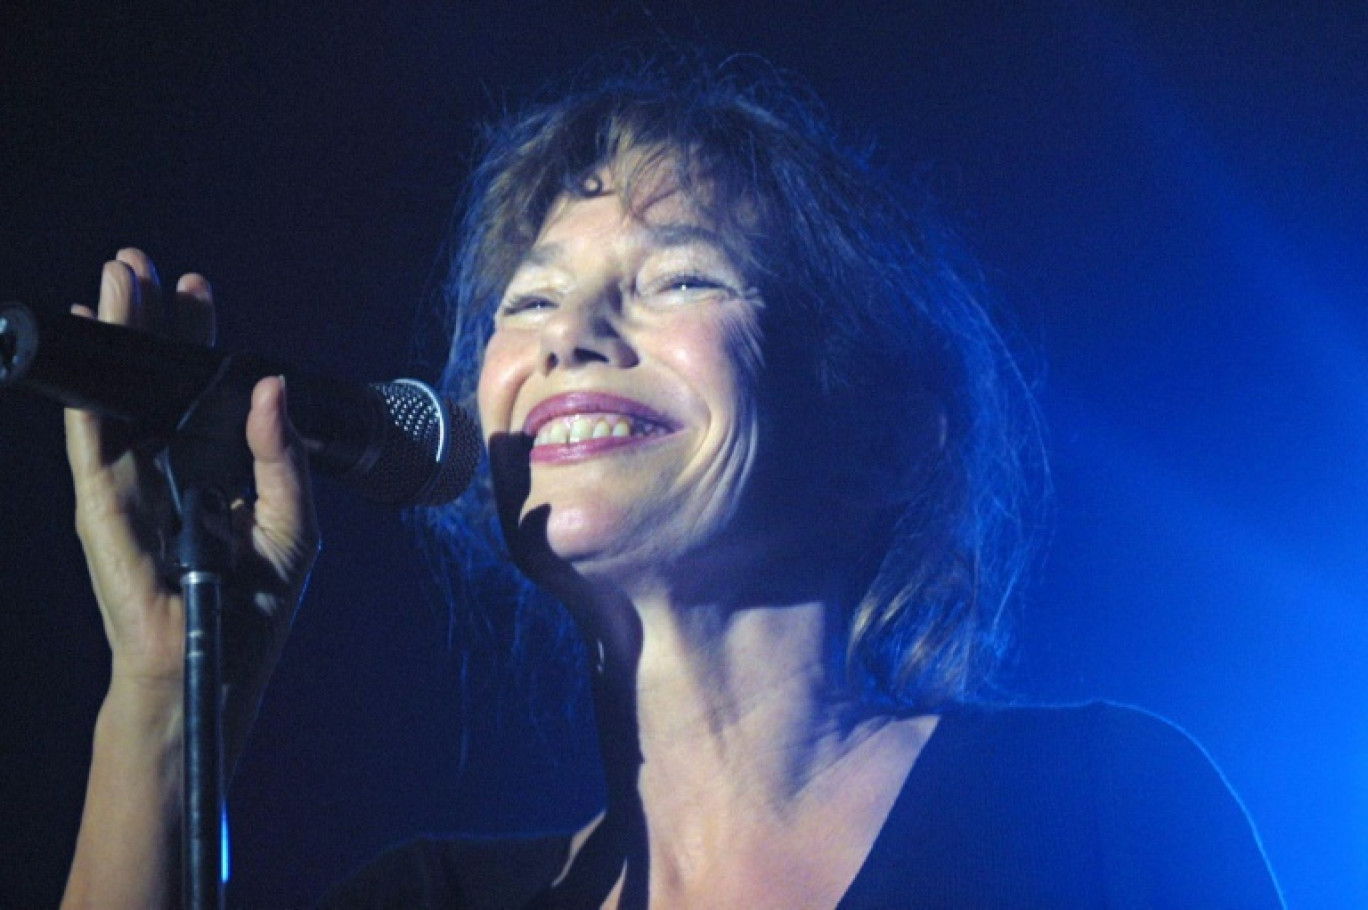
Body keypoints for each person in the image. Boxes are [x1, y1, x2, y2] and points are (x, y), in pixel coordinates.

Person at [60, 58, 1281, 909]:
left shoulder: (1101, 811)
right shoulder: (430, 899)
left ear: (887, 436)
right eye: (528, 300)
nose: (569, 333)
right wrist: (164, 701)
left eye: (681, 277)